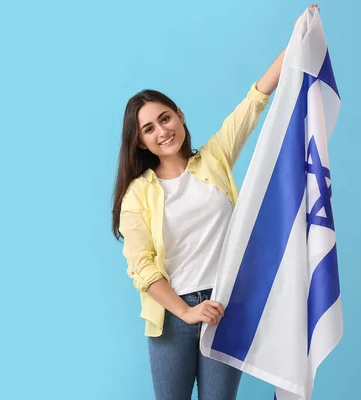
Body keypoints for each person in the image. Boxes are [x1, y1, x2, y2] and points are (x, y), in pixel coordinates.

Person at [112, 5, 318, 399]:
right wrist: (187, 311)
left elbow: (255, 100)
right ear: (140, 141)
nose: (162, 131)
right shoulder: (137, 194)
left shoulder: (214, 160)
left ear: (181, 117)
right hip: (174, 319)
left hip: (225, 307)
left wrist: (297, 39)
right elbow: (142, 267)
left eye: (166, 118)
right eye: (149, 129)